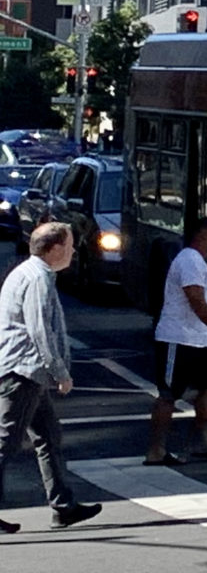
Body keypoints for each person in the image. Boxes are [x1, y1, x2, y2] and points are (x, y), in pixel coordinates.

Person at [0, 223, 101, 533]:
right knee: (6, 443)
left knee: (48, 436)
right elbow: (40, 330)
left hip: (28, 371)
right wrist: (60, 372)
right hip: (23, 371)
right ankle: (62, 505)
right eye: (70, 245)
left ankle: (63, 506)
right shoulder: (38, 279)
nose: (73, 251)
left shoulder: (30, 273)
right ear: (55, 249)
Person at [146, 217, 207, 466]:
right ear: (202, 235)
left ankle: (202, 442)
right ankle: (156, 450)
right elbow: (196, 300)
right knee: (168, 394)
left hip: (202, 339)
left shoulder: (199, 262)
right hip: (178, 338)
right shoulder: (188, 260)